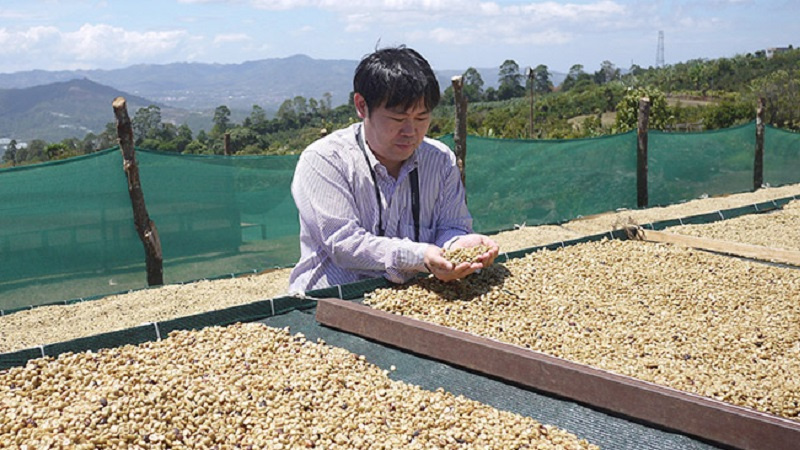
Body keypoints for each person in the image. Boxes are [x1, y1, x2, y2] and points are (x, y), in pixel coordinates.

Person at [288, 45, 499, 293]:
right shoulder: (325, 160)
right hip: (328, 301)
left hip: (414, 301)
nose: (411, 132)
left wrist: (459, 245)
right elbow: (344, 244)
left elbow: (451, 226)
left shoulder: (440, 160)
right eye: (398, 119)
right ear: (361, 105)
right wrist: (420, 256)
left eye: (421, 118)